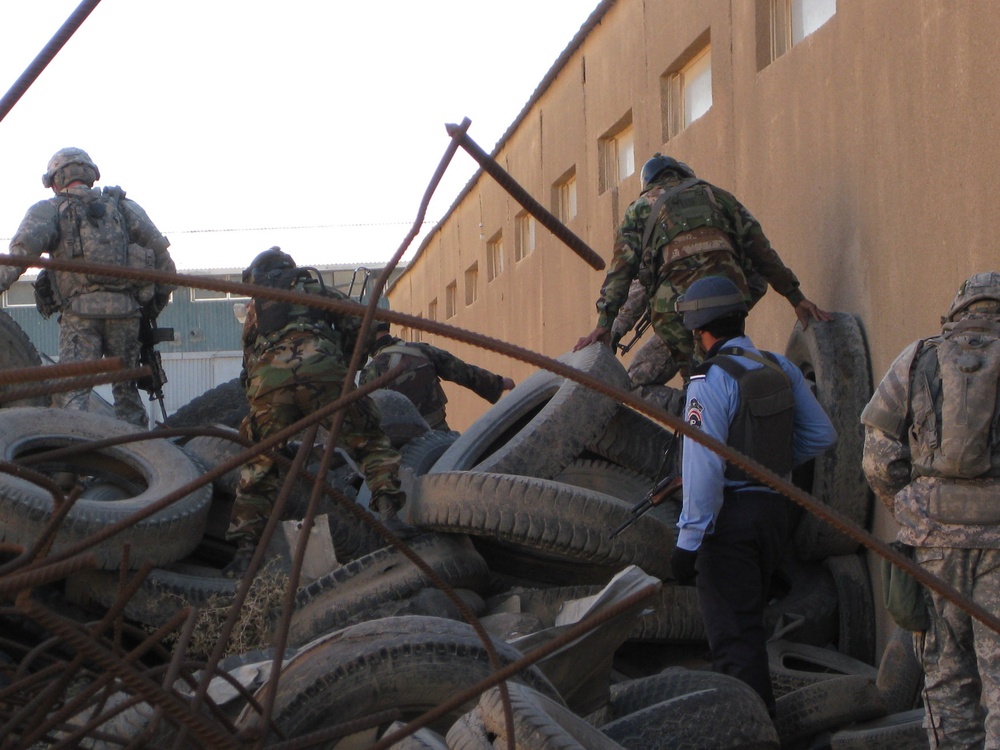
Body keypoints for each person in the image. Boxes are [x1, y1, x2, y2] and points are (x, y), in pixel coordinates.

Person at [669, 275, 837, 716]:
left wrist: (688, 543)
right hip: (773, 514)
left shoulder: (708, 379)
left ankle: (751, 734)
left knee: (734, 644)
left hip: (729, 525)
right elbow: (822, 434)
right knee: (748, 632)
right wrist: (768, 465)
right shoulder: (778, 365)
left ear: (700, 329)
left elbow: (703, 468)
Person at [861, 271, 1000, 749]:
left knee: (945, 686)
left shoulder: (918, 356)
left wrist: (913, 513)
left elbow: (878, 459)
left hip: (935, 551)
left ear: (958, 310)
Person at [225, 247, 409, 577]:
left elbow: (247, 368)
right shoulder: (317, 289)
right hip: (324, 370)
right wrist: (342, 358)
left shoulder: (258, 307)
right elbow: (366, 327)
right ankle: (389, 516)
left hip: (270, 381)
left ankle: (244, 551)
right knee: (368, 441)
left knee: (260, 464)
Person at [576, 153, 831, 381]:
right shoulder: (720, 197)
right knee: (729, 368)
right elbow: (761, 251)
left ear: (649, 184)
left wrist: (604, 325)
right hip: (729, 305)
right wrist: (795, 297)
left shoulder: (639, 210)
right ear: (684, 175)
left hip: (676, 314)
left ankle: (690, 413)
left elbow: (621, 271)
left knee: (693, 381)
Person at [0, 147, 175, 427]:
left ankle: (78, 462)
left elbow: (18, 258)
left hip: (80, 318)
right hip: (126, 316)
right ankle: (139, 457)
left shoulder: (49, 210)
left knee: (75, 393)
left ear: (56, 180)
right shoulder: (123, 208)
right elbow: (167, 268)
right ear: (91, 175)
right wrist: (150, 309)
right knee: (126, 392)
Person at [360, 322, 515, 431]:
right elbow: (462, 371)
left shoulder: (371, 371)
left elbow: (366, 421)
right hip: (440, 437)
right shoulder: (422, 350)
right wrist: (497, 384)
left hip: (402, 451)